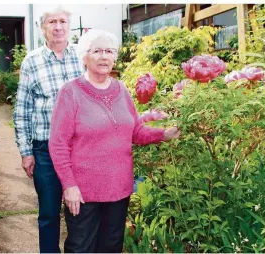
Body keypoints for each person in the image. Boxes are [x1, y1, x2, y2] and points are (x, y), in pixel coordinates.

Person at [48, 29, 181, 253]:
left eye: (109, 51)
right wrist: (69, 186)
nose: (104, 56)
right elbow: (58, 144)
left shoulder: (121, 90)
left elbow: (136, 132)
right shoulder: (70, 93)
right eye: (97, 51)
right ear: (84, 56)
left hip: (119, 188)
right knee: (80, 247)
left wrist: (163, 134)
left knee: (111, 246)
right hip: (84, 192)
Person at [13, 7, 84, 253]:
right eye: (52, 22)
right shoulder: (32, 61)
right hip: (44, 151)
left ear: (69, 25)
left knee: (80, 212)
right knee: (49, 214)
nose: (58, 27)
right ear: (43, 28)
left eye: (63, 21)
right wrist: (26, 152)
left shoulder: (83, 55)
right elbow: (22, 110)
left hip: (80, 148)